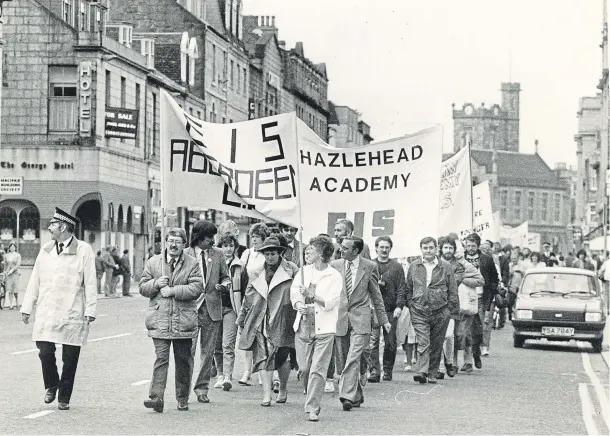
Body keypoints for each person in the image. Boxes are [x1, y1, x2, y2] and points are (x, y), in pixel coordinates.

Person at [20, 207, 97, 411]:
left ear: (63, 227)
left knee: (70, 357)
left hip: (72, 309)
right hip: (47, 309)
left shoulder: (83, 250)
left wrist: (91, 309)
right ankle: (51, 384)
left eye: (52, 225)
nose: (49, 228)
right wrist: (27, 306)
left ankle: (64, 396)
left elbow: (90, 282)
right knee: (45, 351)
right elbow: (35, 279)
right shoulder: (46, 250)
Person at [139, 227, 203, 413]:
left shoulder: (192, 263)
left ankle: (182, 398)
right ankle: (156, 397)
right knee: (161, 358)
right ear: (165, 243)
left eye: (177, 241)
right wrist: (155, 284)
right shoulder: (153, 262)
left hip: (183, 320)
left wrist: (174, 291)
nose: (173, 245)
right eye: (170, 241)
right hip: (160, 319)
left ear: (184, 245)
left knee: (183, 360)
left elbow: (197, 287)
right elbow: (143, 287)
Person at [237, 236, 299, 406]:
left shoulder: (292, 269)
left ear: (280, 253)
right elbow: (248, 296)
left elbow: (299, 292)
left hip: (284, 317)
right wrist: (242, 318)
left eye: (273, 253)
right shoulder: (256, 271)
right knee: (263, 356)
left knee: (282, 357)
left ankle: (283, 388)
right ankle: (266, 394)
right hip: (261, 318)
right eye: (267, 254)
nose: (270, 257)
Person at [331, 236, 389, 411]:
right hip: (340, 318)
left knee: (353, 356)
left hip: (361, 318)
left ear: (356, 251)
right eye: (341, 247)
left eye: (346, 248)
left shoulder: (369, 266)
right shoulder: (335, 266)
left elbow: (376, 296)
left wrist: (384, 319)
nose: (341, 250)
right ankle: (356, 395)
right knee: (342, 361)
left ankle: (346, 396)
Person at [290, 235, 342, 422]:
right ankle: (309, 390)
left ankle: (313, 407)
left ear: (320, 253)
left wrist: (313, 296)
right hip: (304, 323)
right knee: (304, 368)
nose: (307, 251)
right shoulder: (303, 271)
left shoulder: (334, 276)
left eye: (310, 249)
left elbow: (331, 302)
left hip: (325, 327)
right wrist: (298, 304)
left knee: (318, 369)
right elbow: (294, 291)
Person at [184, 220, 231, 404]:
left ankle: (202, 388)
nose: (213, 240)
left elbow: (225, 276)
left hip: (212, 309)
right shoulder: (186, 254)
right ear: (198, 237)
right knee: (187, 352)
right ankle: (184, 390)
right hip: (190, 309)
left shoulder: (218, 254)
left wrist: (225, 285)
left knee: (208, 353)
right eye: (209, 237)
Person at [406, 237, 458, 384]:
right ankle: (422, 371)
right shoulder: (414, 266)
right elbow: (409, 287)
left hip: (440, 310)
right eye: (425, 248)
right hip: (419, 310)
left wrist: (449, 310)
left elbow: (452, 290)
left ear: (436, 249)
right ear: (421, 249)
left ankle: (432, 373)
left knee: (436, 342)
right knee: (423, 340)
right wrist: (411, 304)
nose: (428, 251)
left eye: (431, 248)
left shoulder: (445, 267)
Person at [438, 237, 484, 376]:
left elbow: (480, 280)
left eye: (451, 248)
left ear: (455, 250)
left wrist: (462, 278)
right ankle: (451, 363)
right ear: (441, 248)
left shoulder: (462, 264)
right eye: (445, 248)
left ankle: (466, 360)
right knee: (446, 335)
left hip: (462, 304)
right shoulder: (436, 263)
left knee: (461, 333)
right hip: (442, 305)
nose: (448, 251)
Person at [368, 236, 406, 383]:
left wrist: (399, 306)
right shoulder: (370, 265)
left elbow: (402, 288)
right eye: (381, 247)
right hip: (373, 309)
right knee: (373, 342)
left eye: (387, 247)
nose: (384, 250)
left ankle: (388, 370)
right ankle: (374, 371)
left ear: (390, 248)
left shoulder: (396, 267)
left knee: (390, 342)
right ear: (376, 248)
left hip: (390, 309)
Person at [237, 222, 270, 385]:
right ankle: (247, 371)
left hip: (264, 297)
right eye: (253, 237)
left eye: (257, 237)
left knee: (263, 335)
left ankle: (262, 371)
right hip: (249, 297)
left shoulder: (268, 254)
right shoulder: (247, 254)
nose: (254, 240)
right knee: (248, 333)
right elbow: (240, 274)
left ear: (264, 238)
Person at [211, 234, 244, 392]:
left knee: (228, 343)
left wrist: (243, 311)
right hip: (215, 307)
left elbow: (244, 289)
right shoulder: (214, 263)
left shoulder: (239, 266)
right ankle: (219, 374)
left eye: (231, 246)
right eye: (225, 246)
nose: (228, 249)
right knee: (216, 344)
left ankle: (228, 376)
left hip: (232, 308)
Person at [463, 233, 499, 365]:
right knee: (465, 331)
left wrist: (489, 287)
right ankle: (467, 361)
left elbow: (495, 278)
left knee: (479, 329)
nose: (470, 248)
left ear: (478, 246)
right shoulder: (461, 259)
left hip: (480, 298)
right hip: (464, 298)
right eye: (468, 245)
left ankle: (476, 352)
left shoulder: (486, 259)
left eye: (473, 245)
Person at [3, 242, 22, 310]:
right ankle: (11, 304)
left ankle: (17, 302)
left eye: (13, 247)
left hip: (15, 273)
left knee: (15, 289)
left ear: (15, 248)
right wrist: (5, 271)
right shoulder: (6, 256)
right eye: (11, 247)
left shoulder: (18, 255)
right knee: (10, 289)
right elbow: (5, 264)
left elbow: (18, 264)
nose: (12, 248)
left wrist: (12, 270)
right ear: (9, 248)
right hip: (8, 274)